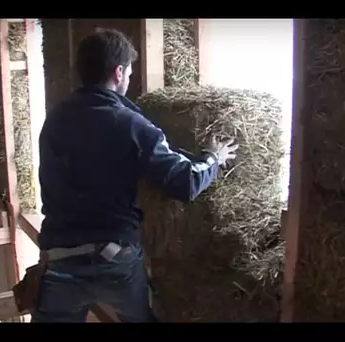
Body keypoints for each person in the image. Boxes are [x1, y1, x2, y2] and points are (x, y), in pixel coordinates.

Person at [31, 28, 238, 323]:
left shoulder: (55, 120)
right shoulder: (132, 124)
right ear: (118, 72)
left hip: (60, 258)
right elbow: (185, 182)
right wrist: (213, 158)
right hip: (114, 257)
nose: (128, 78)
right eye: (128, 71)